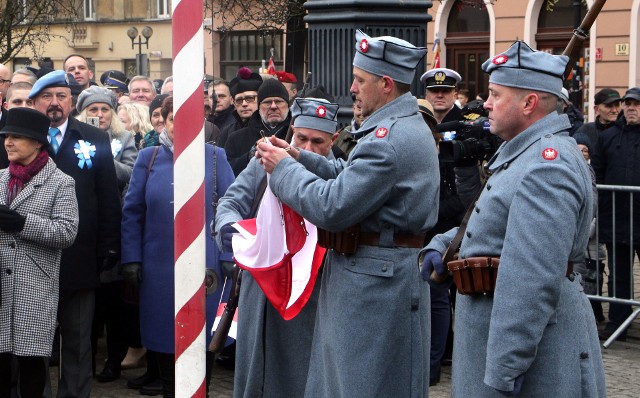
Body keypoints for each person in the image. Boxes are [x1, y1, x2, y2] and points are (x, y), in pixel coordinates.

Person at [256, 30, 438, 397]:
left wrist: (282, 169)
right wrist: (298, 157)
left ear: (386, 85)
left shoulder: (387, 140)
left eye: (360, 80)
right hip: (377, 277)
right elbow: (350, 177)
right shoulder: (396, 129)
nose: (352, 88)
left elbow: (333, 206)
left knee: (358, 385)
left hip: (374, 285)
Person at [423, 41, 605, 397]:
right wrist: (445, 245)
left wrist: (506, 367)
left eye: (495, 94)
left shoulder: (546, 166)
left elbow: (531, 278)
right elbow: (498, 220)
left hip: (530, 352)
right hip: (495, 334)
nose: (485, 104)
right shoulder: (523, 152)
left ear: (528, 103)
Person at [216, 97, 339, 397]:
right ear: (292, 131)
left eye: (317, 141)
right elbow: (230, 203)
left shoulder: (341, 173)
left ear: (334, 139)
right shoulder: (265, 161)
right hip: (264, 291)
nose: (307, 148)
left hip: (317, 292)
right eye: (301, 138)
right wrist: (240, 238)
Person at [121, 96, 235, 397]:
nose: (180, 125)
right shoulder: (149, 158)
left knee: (203, 347)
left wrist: (228, 253)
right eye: (174, 118)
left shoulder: (215, 157)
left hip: (206, 271)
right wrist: (131, 257)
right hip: (159, 272)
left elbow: (232, 209)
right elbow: (132, 212)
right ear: (164, 121)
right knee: (166, 347)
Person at [30, 70, 122, 397]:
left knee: (79, 343)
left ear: (71, 101)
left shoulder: (93, 138)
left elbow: (108, 197)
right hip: (32, 260)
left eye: (61, 96)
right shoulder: (21, 138)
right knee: (33, 344)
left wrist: (109, 248)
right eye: (47, 97)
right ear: (34, 101)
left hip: (81, 259)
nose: (54, 104)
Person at [0, 107, 79, 398]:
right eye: (6, 136)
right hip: (0, 284)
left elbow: (67, 232)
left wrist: (22, 223)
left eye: (17, 137)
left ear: (37, 143)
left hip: (34, 285)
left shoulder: (61, 182)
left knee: (31, 364)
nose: (8, 142)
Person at [591, 86, 640, 342]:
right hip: (617, 218)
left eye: (636, 104)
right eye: (628, 103)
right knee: (620, 273)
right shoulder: (609, 136)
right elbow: (596, 172)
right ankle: (618, 320)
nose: (631, 107)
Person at [225, 78, 291, 176]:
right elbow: (227, 172)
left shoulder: (298, 136)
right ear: (259, 106)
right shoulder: (236, 138)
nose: (273, 106)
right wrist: (251, 155)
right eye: (267, 102)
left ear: (287, 105)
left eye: (278, 101)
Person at [219, 68, 263, 146]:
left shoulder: (268, 127)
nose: (244, 104)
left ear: (259, 99)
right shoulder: (227, 131)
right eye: (239, 100)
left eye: (249, 98)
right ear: (234, 103)